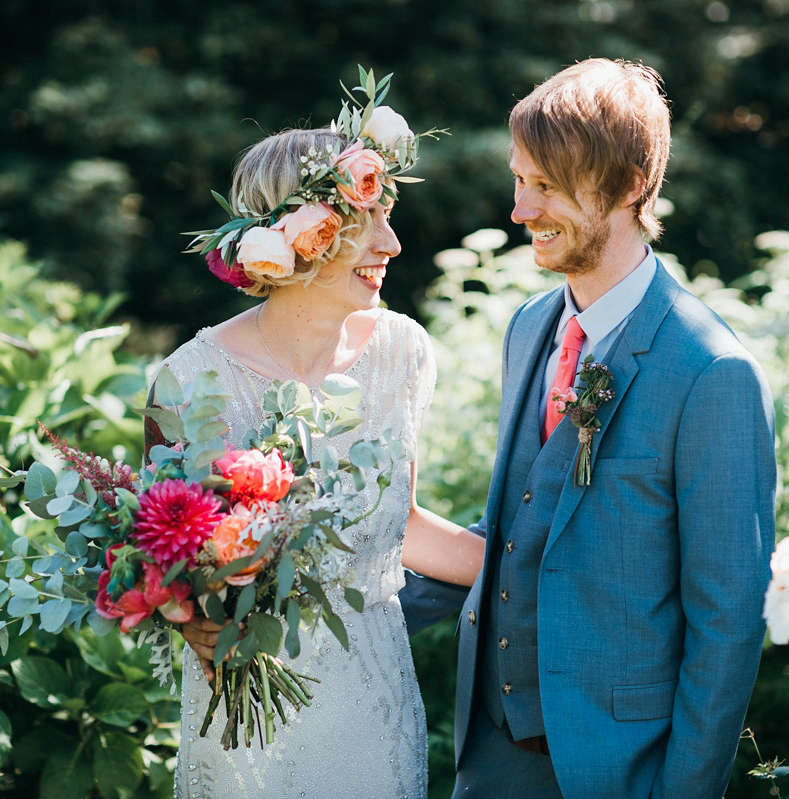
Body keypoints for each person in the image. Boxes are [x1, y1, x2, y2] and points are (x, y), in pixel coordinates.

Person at [427, 58, 777, 798]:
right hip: (488, 760)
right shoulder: (529, 329)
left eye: (546, 186)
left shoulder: (712, 372)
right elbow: (515, 535)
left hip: (620, 773)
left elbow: (729, 626)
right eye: (520, 180)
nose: (520, 209)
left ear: (627, 188)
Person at [146, 84, 484, 799]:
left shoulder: (403, 353)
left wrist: (545, 567)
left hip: (376, 705)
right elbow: (165, 561)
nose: (392, 244)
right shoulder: (189, 379)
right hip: (246, 722)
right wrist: (189, 620)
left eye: (389, 217)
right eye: (368, 221)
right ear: (304, 235)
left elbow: (403, 523)